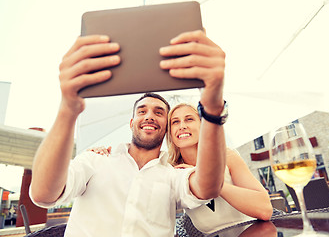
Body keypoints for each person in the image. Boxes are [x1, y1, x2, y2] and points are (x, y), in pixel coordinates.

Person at [29, 30, 227, 236]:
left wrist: (212, 109)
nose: (149, 116)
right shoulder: (95, 160)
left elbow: (208, 187)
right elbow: (43, 194)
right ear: (132, 123)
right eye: (142, 111)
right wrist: (68, 107)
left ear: (167, 127)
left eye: (159, 112)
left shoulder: (172, 174)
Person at [167, 103, 273, 235]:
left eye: (189, 119)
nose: (182, 126)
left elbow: (265, 209)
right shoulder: (172, 173)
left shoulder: (226, 156)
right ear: (170, 132)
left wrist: (213, 183)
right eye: (175, 122)